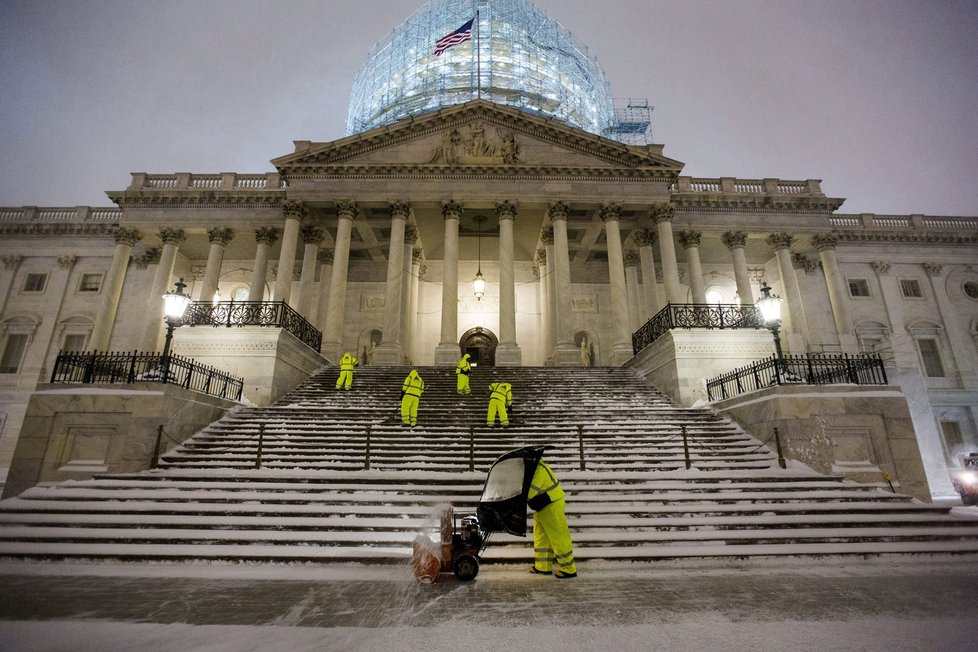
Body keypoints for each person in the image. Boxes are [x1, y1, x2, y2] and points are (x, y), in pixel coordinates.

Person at [527, 458, 577, 578]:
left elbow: (530, 493)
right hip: (542, 505)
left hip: (552, 504)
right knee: (541, 536)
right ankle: (542, 567)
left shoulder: (539, 470)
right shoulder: (534, 469)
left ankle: (569, 569)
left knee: (558, 536)